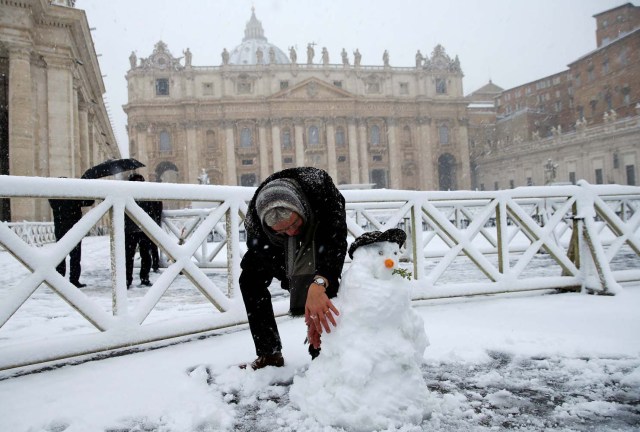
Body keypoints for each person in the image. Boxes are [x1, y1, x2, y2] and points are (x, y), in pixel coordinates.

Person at [239, 167, 347, 370]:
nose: (291, 232)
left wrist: (318, 283)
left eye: (293, 224)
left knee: (323, 287)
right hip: (275, 245)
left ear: (298, 209)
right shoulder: (256, 222)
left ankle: (323, 354)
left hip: (317, 225)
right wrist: (296, 285)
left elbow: (335, 243)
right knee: (249, 280)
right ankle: (269, 353)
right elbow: (261, 253)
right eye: (282, 230)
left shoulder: (320, 190)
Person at [49, 186, 95, 288]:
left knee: (60, 256)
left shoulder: (54, 198)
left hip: (60, 229)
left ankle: (59, 280)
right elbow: (90, 201)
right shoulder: (74, 197)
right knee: (75, 256)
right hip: (75, 229)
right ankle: (74, 280)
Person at [125, 173, 158, 288]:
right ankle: (142, 278)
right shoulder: (144, 193)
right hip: (139, 229)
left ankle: (128, 280)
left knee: (130, 256)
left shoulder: (127, 193)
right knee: (142, 256)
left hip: (133, 230)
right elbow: (152, 211)